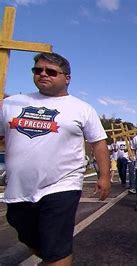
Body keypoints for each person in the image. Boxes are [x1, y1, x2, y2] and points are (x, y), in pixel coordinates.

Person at [0, 52, 111, 265]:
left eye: (50, 71)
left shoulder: (82, 108)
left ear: (66, 77)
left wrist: (104, 176)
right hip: (18, 188)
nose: (43, 74)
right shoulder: (10, 104)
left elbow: (98, 143)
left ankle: (57, 257)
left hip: (62, 185)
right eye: (38, 70)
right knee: (26, 233)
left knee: (56, 246)